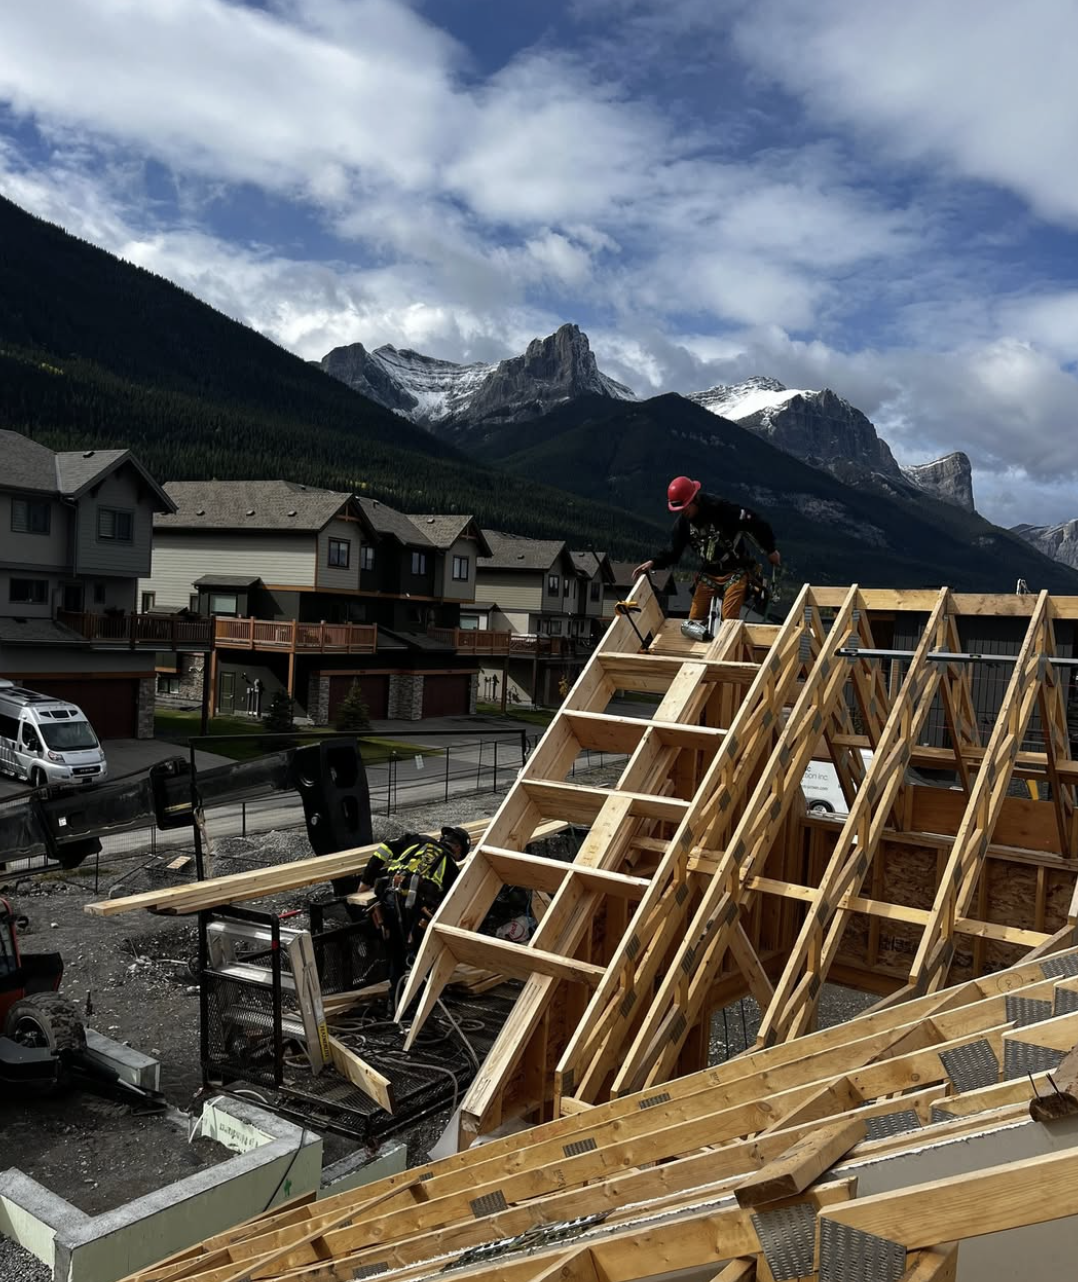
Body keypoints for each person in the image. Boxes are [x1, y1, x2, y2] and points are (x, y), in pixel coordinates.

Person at [634, 476, 781, 640]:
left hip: (735, 569)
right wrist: (654, 562)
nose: (683, 511)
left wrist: (770, 550)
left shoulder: (720, 508)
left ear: (694, 499)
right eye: (680, 509)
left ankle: (727, 655)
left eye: (685, 506)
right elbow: (673, 550)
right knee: (693, 623)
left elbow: (755, 522)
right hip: (709, 573)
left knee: (729, 618)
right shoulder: (684, 523)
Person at [356, 825, 472, 1000]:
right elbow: (451, 905)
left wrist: (366, 880)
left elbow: (384, 850)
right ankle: (418, 1008)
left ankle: (396, 1005)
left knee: (396, 956)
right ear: (458, 848)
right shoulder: (451, 869)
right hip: (417, 913)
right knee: (422, 959)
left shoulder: (417, 839)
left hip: (389, 897)